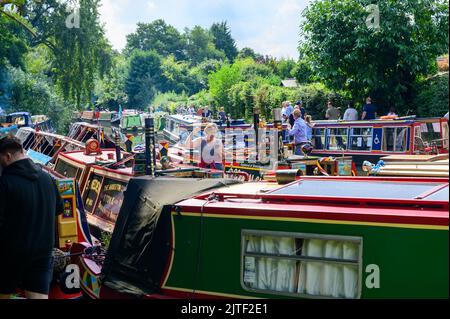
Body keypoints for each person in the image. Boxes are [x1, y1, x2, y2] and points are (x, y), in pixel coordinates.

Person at [0, 136, 63, 299]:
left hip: (10, 255)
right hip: (43, 252)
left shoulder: (4, 183)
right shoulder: (48, 179)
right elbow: (59, 210)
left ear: (7, 156)